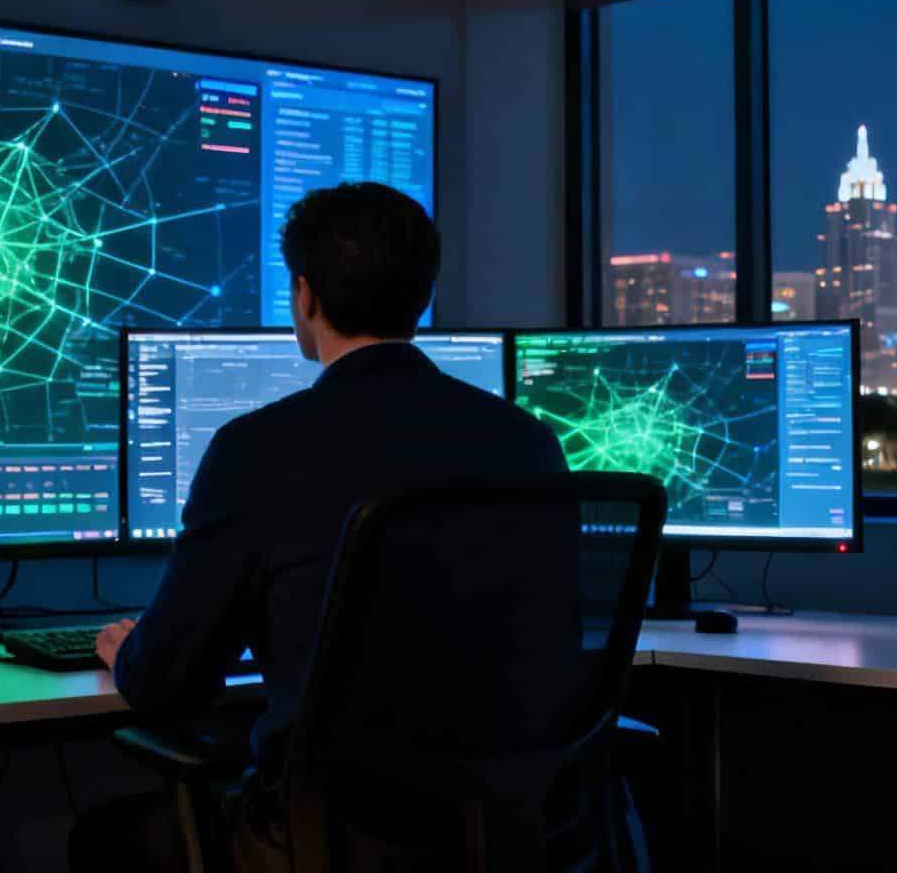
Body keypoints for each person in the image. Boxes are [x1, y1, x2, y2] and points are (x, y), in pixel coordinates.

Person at [68, 182, 568, 871]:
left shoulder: (259, 449)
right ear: (424, 293)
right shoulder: (528, 441)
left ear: (304, 296)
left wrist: (127, 652)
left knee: (106, 840)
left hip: (335, 842)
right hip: (516, 833)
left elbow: (167, 687)